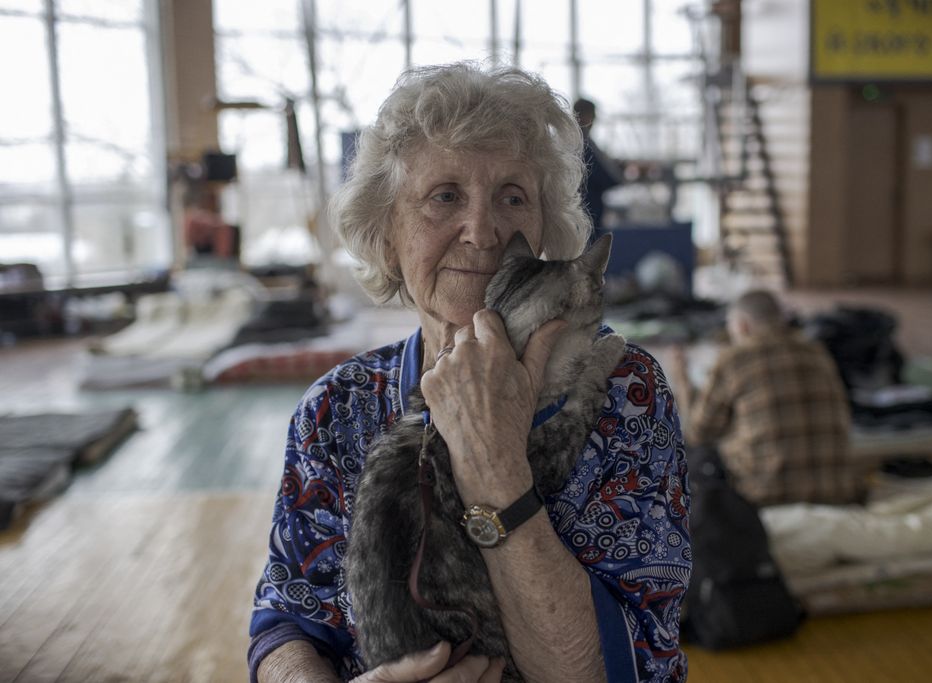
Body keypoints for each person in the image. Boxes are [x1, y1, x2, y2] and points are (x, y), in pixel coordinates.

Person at [248, 63, 691, 682]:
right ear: (387, 233)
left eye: (513, 197)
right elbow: (286, 620)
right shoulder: (338, 406)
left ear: (542, 231)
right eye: (445, 196)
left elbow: (613, 669)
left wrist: (495, 465)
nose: (483, 232)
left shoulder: (624, 392)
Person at [677, 289, 856, 506]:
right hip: (835, 492)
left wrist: (683, 383)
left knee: (694, 454)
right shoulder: (817, 352)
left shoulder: (734, 358)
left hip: (763, 496)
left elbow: (698, 432)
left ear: (742, 326)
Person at [573, 98, 622, 241]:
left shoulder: (570, 141)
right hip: (587, 210)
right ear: (584, 116)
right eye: (592, 115)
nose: (594, 120)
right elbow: (605, 176)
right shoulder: (583, 144)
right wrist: (620, 171)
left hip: (576, 213)